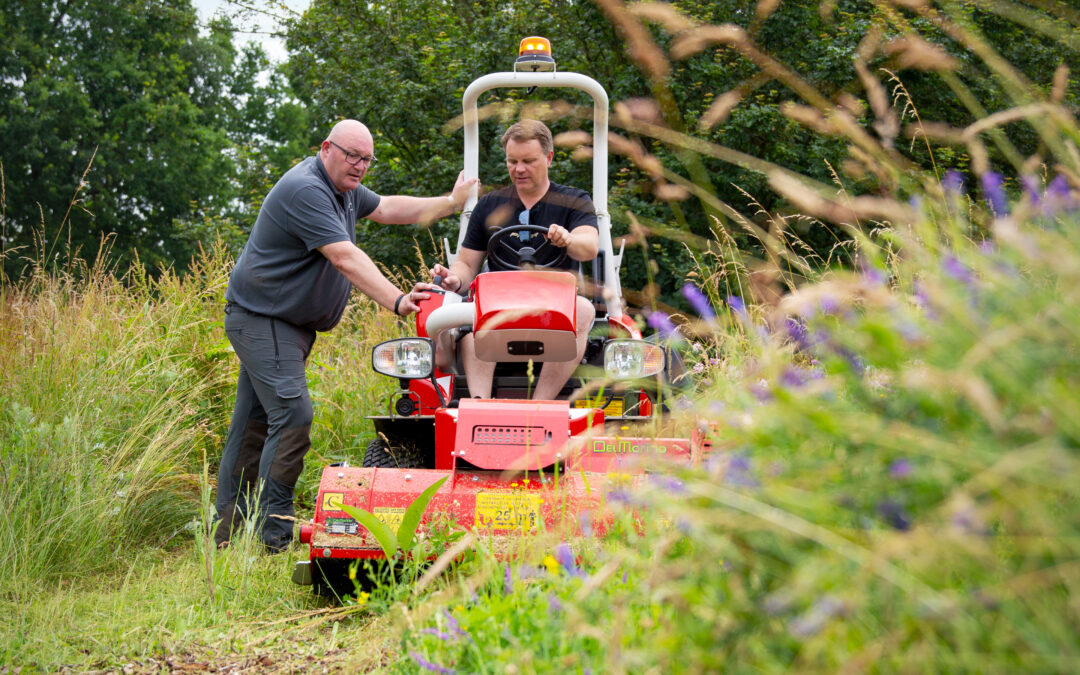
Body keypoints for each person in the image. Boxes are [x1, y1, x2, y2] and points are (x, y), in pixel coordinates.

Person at [216, 119, 477, 552]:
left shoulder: (344, 188)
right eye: (351, 156)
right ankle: (273, 537)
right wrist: (397, 300)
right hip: (264, 320)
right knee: (293, 415)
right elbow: (344, 257)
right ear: (326, 149)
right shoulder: (308, 189)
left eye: (366, 160)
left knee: (253, 425)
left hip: (284, 324)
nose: (359, 166)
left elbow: (388, 208)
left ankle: (228, 536)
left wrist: (451, 202)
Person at [430, 119, 598, 400]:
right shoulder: (490, 206)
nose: (519, 169)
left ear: (549, 158)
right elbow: (468, 264)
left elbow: (588, 246)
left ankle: (540, 405)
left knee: (584, 309)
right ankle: (478, 406)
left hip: (555, 305)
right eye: (512, 161)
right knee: (470, 328)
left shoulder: (573, 201)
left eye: (528, 161)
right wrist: (455, 277)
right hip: (499, 305)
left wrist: (568, 239)